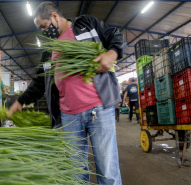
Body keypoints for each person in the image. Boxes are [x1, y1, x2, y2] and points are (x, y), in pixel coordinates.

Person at [9, 2, 127, 184]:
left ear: (55, 16)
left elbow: (114, 35)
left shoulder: (86, 24)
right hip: (69, 115)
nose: (43, 31)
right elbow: (40, 80)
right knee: (75, 170)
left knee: (107, 169)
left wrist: (112, 53)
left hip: (99, 108)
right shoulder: (49, 49)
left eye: (44, 26)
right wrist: (21, 101)